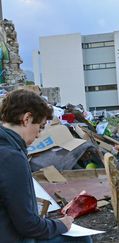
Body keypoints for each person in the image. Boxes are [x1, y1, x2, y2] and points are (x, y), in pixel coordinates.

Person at [0, 89, 91, 242]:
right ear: (27, 118)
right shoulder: (12, 157)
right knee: (80, 239)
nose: (39, 134)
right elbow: (28, 225)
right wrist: (61, 225)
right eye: (41, 126)